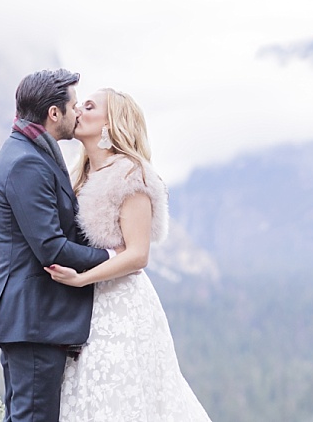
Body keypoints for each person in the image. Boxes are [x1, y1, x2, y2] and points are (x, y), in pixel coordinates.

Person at [45, 87, 213, 421]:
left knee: (120, 397)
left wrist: (82, 278)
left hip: (122, 307)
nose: (77, 110)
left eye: (89, 106)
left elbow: (138, 255)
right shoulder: (80, 175)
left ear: (112, 123)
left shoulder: (131, 175)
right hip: (86, 309)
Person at [0, 69, 118, 422]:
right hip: (33, 317)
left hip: (32, 319)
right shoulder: (26, 162)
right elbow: (51, 248)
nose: (78, 113)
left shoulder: (30, 152)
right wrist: (111, 257)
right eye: (73, 106)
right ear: (53, 113)